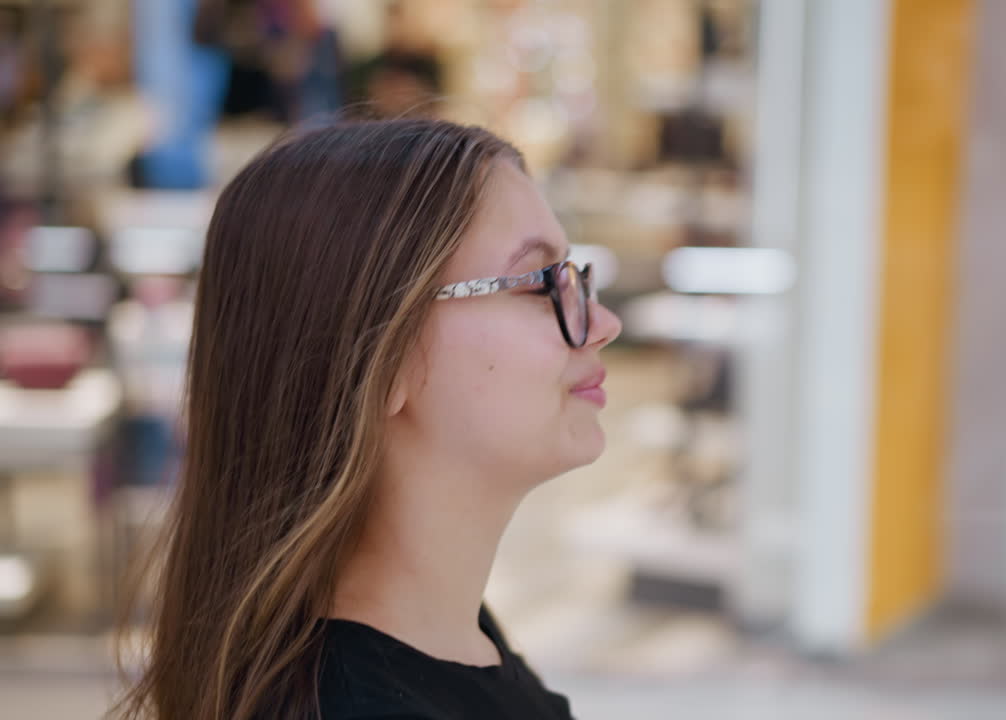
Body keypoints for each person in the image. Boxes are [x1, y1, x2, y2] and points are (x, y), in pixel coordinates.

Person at [110, 118, 622, 720]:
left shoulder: (444, 628)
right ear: (377, 354)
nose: (603, 323)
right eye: (541, 285)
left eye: (575, 278)